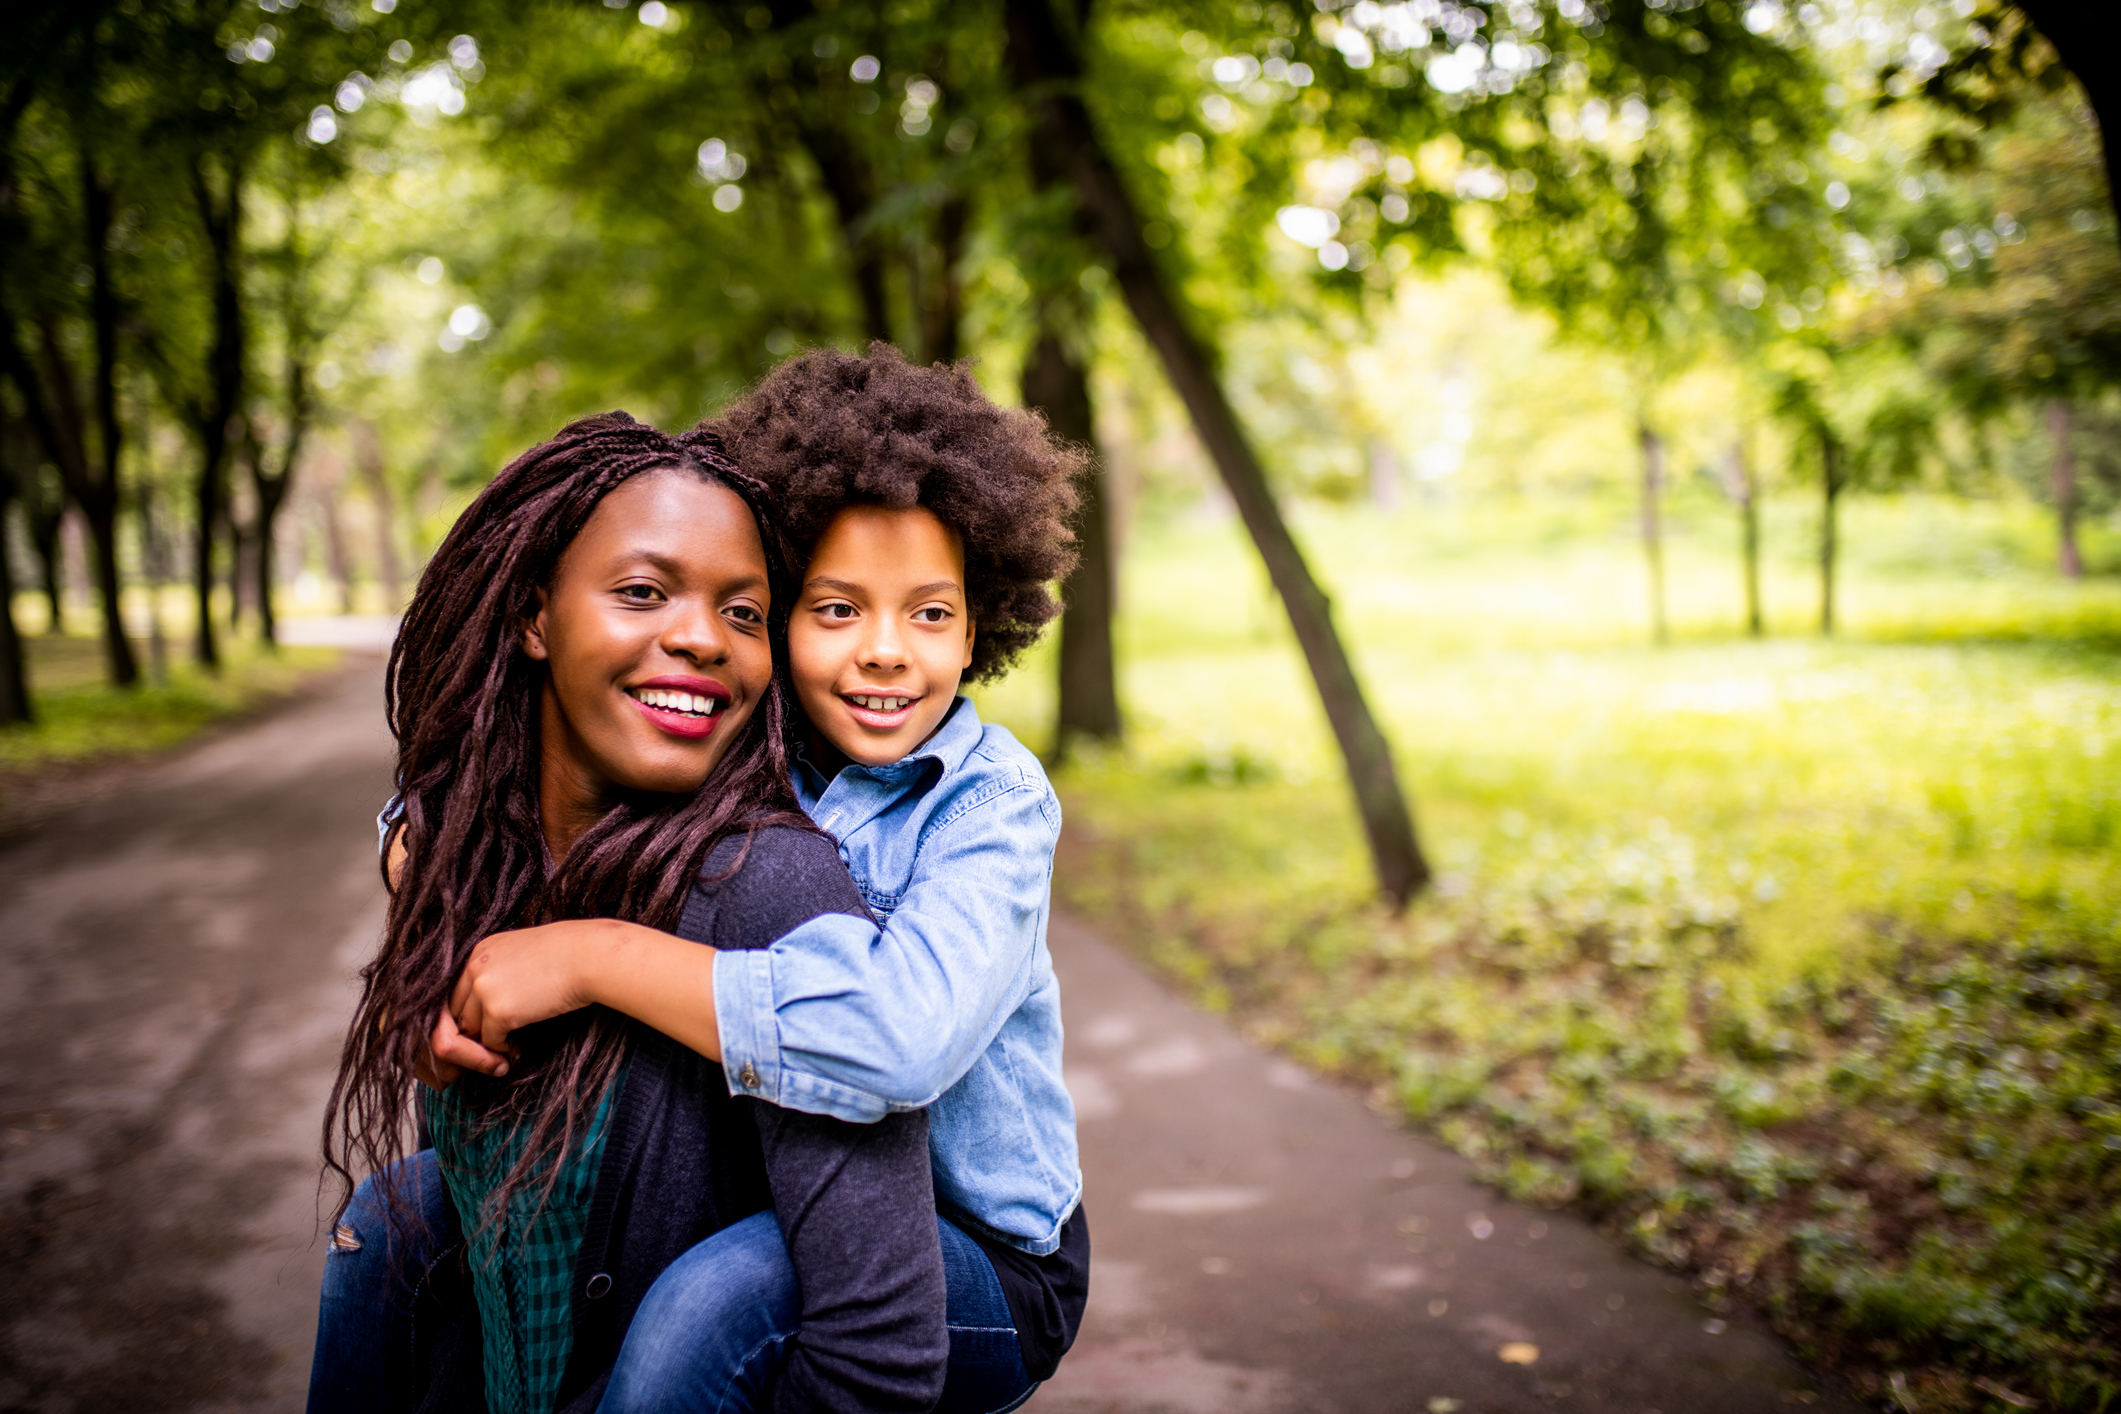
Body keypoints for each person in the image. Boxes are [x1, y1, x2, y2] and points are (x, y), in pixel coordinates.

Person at [430, 346, 1091, 1412]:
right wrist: (426, 895)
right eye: (837, 609)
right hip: (798, 1193)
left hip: (985, 1259)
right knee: (414, 1228)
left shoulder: (991, 806)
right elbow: (512, 795)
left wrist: (596, 957)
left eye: (929, 614)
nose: (886, 652)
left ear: (978, 630)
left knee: (722, 1297)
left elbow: (899, 1038)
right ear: (779, 619)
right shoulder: (753, 754)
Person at [311, 413, 948, 1414]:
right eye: (643, 591)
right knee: (389, 1213)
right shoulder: (474, 857)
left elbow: (883, 1356)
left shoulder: (771, 893)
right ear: (534, 617)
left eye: (744, 612)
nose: (702, 636)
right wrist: (422, 945)